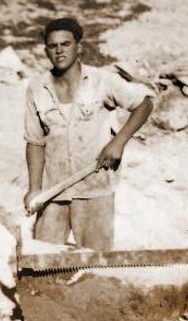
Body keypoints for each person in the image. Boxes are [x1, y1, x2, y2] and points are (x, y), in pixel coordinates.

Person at [24, 17, 154, 250]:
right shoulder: (36, 88)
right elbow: (35, 142)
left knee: (96, 268)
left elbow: (144, 104)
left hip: (95, 189)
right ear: (46, 51)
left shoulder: (102, 81)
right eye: (52, 46)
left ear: (79, 47)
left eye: (65, 44)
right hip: (54, 192)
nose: (59, 50)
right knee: (43, 265)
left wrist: (119, 142)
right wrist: (34, 188)